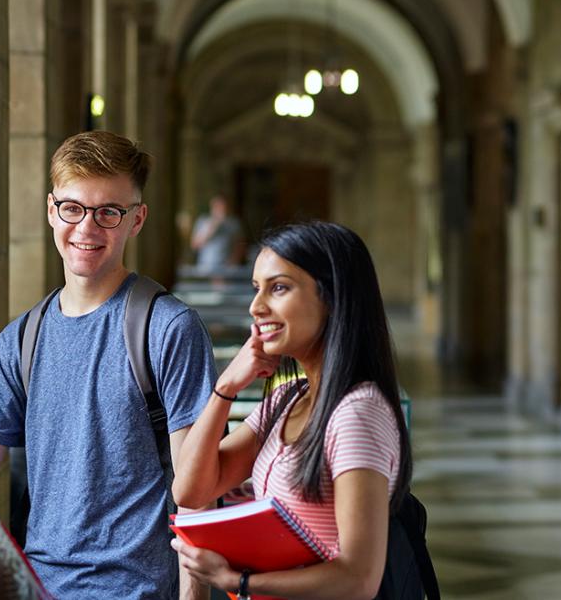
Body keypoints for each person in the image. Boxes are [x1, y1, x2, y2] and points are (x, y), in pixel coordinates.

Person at [0, 131, 218, 599]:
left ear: (136, 219)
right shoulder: (20, 340)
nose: (86, 228)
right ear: (50, 210)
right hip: (37, 587)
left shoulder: (169, 329)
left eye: (109, 213)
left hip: (135, 589)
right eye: (73, 208)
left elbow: (196, 492)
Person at [171, 222, 413, 600]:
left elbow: (358, 579)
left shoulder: (356, 413)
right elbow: (190, 488)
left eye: (278, 288)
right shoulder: (288, 398)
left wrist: (238, 582)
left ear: (333, 297)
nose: (256, 307)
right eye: (256, 289)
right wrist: (226, 387)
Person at [190, 194, 244, 270]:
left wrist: (233, 262)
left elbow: (240, 245)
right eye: (217, 206)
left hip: (226, 268)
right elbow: (195, 245)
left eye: (223, 206)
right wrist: (212, 226)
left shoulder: (233, 223)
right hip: (205, 267)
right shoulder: (203, 221)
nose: (220, 209)